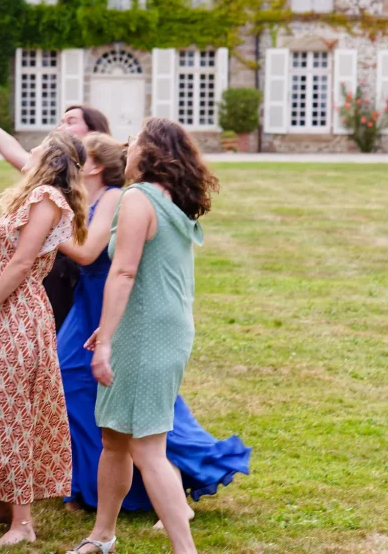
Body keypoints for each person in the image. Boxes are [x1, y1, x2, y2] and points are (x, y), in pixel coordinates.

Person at [57, 133, 249, 523]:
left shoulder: (137, 197)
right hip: (161, 325)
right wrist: (108, 331)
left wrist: (107, 338)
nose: (129, 146)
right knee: (115, 438)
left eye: (138, 141)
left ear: (151, 154)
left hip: (146, 331)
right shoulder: (169, 199)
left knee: (146, 447)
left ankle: (183, 544)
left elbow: (125, 271)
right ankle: (102, 535)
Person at [0, 131, 88, 547]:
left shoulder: (48, 199)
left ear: (52, 159)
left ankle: (23, 522)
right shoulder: (26, 198)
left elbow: (23, 262)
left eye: (37, 146)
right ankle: (2, 505)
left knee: (13, 412)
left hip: (19, 313)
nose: (28, 152)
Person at [0, 87, 110, 332]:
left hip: (71, 284)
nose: (60, 128)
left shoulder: (101, 186)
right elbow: (10, 150)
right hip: (42, 277)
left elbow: (83, 252)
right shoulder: (49, 178)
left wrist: (33, 231)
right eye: (60, 122)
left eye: (70, 122)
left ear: (95, 133)